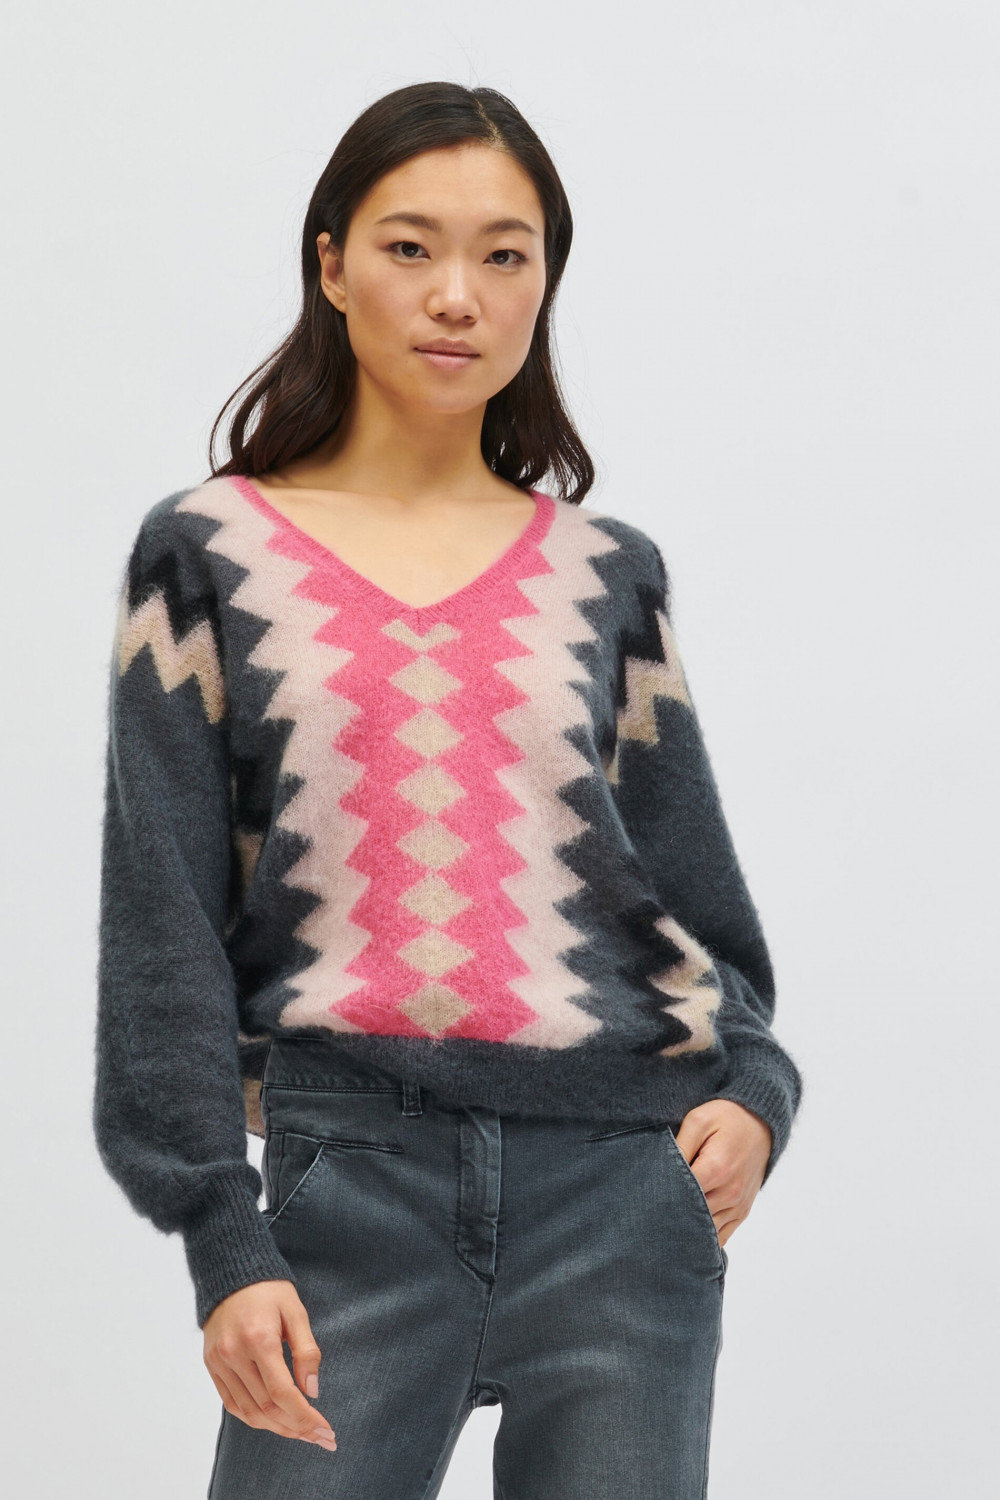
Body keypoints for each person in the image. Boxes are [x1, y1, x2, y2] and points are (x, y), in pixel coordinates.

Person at [93, 80, 804, 1499]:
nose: (456, 296)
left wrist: (759, 1090)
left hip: (624, 1193)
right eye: (409, 246)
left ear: (546, 279)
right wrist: (220, 1234)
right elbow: (161, 916)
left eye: (504, 253)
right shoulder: (209, 553)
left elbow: (691, 893)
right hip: (348, 1185)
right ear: (331, 262)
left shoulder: (608, 575)